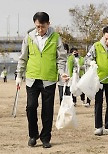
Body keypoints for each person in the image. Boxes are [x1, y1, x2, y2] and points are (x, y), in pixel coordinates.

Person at [15, 12, 67, 148]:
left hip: (49, 79)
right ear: (34, 24)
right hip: (32, 78)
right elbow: (23, 57)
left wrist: (62, 73)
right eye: (37, 26)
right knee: (31, 107)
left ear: (48, 24)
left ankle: (45, 138)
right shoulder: (29, 37)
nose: (40, 29)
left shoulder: (56, 38)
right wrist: (19, 75)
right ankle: (33, 135)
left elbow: (61, 58)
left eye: (42, 27)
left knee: (47, 110)